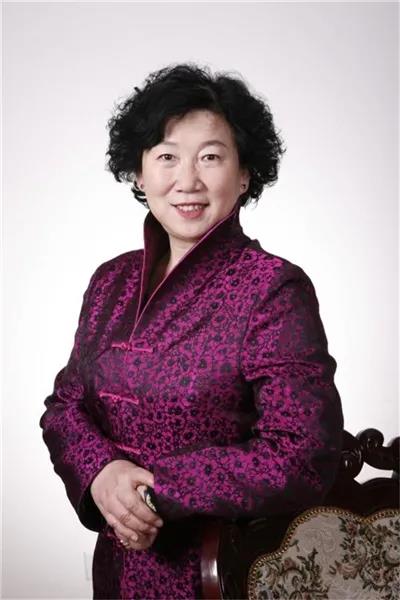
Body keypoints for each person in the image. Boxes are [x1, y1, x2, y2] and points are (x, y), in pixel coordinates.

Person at [39, 62, 344, 599]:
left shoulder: (272, 289)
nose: (188, 181)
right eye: (167, 157)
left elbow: (302, 453)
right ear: (139, 174)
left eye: (210, 157)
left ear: (245, 174)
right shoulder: (110, 281)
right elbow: (65, 407)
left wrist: (157, 491)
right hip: (116, 570)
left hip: (217, 571)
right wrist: (101, 474)